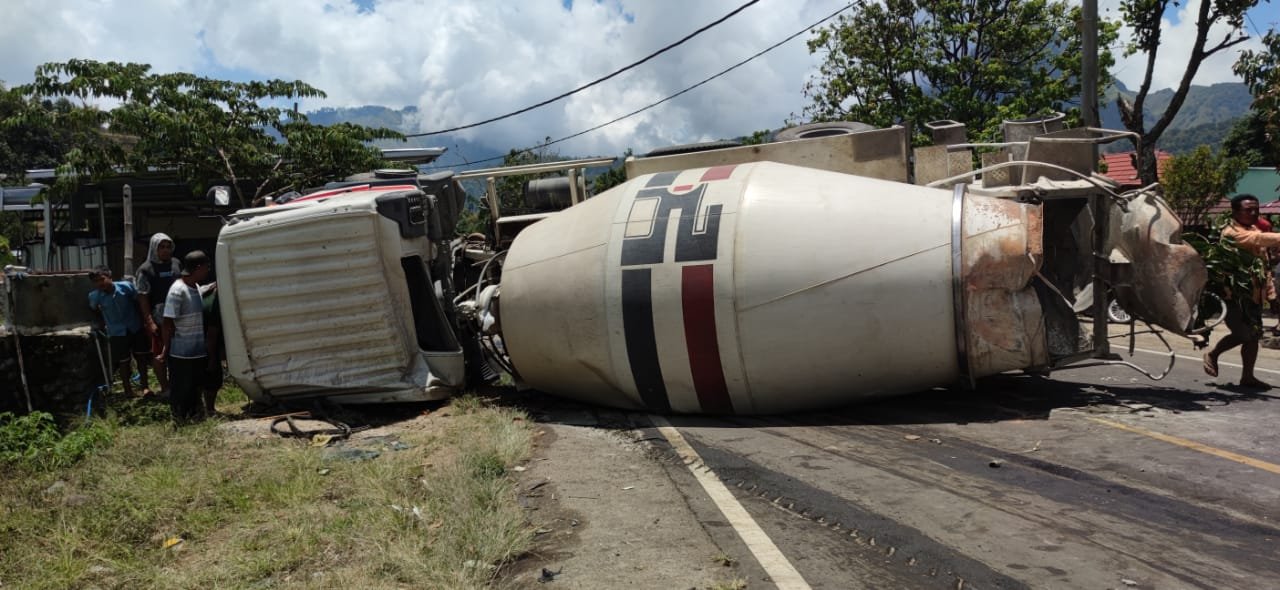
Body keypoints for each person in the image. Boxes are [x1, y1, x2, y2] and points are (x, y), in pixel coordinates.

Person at [1204, 194, 1280, 389]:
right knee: (1242, 334)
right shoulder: (1231, 233)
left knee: (1253, 336)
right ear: (1236, 212)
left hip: (1254, 296)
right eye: (1248, 210)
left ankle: (1248, 376)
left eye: (1256, 209)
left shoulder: (1253, 228)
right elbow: (1259, 238)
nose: (1254, 213)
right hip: (1234, 295)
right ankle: (1213, 354)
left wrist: (1271, 296)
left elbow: (1263, 267)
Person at [160, 250, 212, 421]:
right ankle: (180, 419)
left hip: (197, 351)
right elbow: (167, 322)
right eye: (206, 267)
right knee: (181, 388)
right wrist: (165, 350)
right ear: (197, 268)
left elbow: (200, 292)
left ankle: (194, 416)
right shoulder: (177, 291)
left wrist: (215, 285)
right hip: (181, 353)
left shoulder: (195, 286)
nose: (208, 270)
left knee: (194, 387)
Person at [87, 266, 150, 396]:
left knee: (141, 357)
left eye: (102, 279)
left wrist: (144, 322)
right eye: (96, 281)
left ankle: (145, 387)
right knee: (123, 361)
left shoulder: (126, 287)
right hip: (116, 332)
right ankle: (128, 390)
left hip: (134, 327)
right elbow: (94, 310)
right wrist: (105, 322)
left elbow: (137, 302)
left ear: (110, 277)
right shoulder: (95, 296)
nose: (100, 283)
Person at [136, 233, 181, 395]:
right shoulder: (145, 270)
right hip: (159, 317)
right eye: (161, 247)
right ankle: (165, 387)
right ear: (154, 248)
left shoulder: (176, 264)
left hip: (178, 315)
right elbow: (142, 297)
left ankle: (178, 384)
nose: (166, 250)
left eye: (168, 246)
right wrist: (150, 321)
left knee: (177, 351)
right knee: (160, 352)